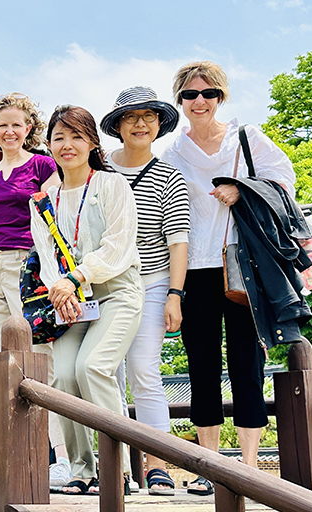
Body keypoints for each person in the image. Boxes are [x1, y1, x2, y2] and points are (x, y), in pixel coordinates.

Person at [160, 61, 297, 496]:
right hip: (191, 268)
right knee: (201, 366)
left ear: (221, 96)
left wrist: (241, 188)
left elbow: (285, 182)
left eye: (208, 93)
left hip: (243, 267)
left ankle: (251, 468)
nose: (199, 101)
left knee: (246, 363)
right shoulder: (172, 152)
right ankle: (210, 467)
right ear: (179, 100)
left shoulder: (246, 139)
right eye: (190, 94)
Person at [30, 105, 143, 495]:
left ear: (93, 142)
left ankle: (119, 470)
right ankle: (82, 469)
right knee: (63, 374)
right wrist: (59, 290)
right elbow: (45, 256)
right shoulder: (43, 197)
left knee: (93, 367)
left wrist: (76, 277)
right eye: (59, 137)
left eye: (77, 136)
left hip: (116, 293)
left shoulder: (112, 186)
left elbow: (118, 247)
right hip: (67, 299)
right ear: (48, 145)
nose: (67, 145)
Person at [0, 93, 70, 489]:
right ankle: (7, 459)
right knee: (1, 363)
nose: (9, 131)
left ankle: (60, 458)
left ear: (29, 128)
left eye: (17, 124)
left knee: (40, 357)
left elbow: (54, 221)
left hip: (26, 263)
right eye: (2, 124)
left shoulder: (44, 165)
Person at [99, 86, 189, 495]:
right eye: (131, 117)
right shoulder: (100, 171)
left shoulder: (170, 176)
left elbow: (178, 241)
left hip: (152, 283)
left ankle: (157, 464)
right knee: (104, 372)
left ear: (159, 124)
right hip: (104, 284)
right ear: (118, 126)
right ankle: (113, 465)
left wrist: (175, 294)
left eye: (149, 116)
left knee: (143, 371)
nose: (140, 123)